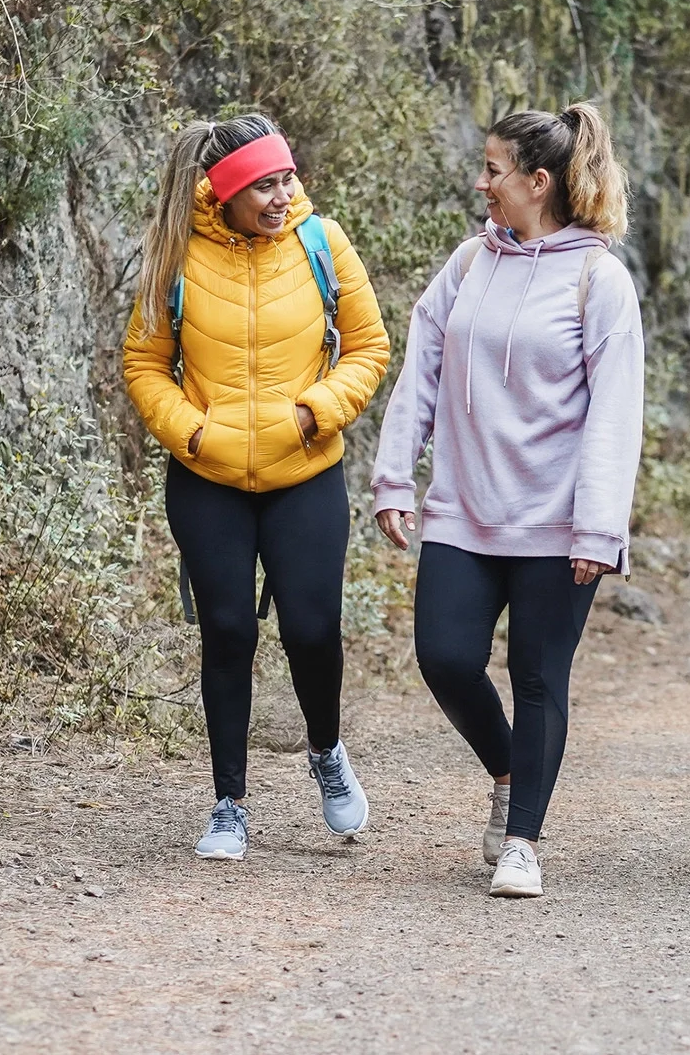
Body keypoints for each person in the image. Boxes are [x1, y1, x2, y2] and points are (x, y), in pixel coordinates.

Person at [371, 102, 643, 900]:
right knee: (445, 657)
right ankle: (507, 771)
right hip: (464, 507)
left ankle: (523, 838)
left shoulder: (601, 279)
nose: (480, 183)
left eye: (493, 170)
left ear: (538, 181)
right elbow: (419, 369)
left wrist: (598, 526)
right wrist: (394, 475)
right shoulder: (467, 265)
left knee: (538, 675)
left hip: (557, 525)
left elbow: (614, 412)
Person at [122, 115, 392, 862]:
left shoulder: (320, 243)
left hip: (303, 469)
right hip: (208, 476)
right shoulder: (175, 253)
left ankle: (326, 751)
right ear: (225, 192)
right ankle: (228, 804)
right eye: (265, 185)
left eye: (286, 178)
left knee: (311, 632)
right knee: (230, 634)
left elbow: (368, 346)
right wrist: (194, 433)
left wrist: (317, 411)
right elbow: (145, 363)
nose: (282, 195)